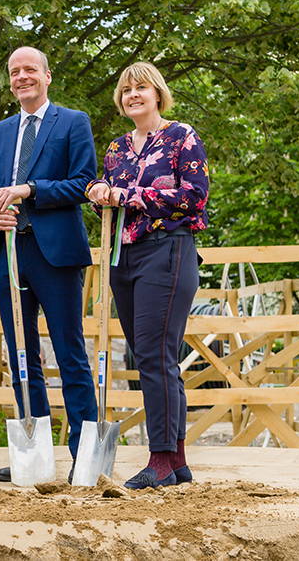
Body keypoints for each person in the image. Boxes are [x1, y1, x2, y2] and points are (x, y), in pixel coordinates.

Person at [0, 46, 99, 483]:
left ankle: (84, 455)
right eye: (14, 71)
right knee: (21, 356)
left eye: (30, 69)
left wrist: (28, 191)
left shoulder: (73, 122)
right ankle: (34, 454)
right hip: (9, 253)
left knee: (70, 354)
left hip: (56, 254)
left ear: (47, 76)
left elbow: (84, 183)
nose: (22, 76)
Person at [87, 61, 208, 489]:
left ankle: (159, 458)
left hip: (168, 252)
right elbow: (107, 193)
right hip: (125, 255)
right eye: (125, 90)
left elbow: (194, 197)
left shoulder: (181, 136)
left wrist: (130, 195)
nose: (132, 95)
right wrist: (98, 191)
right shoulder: (117, 149)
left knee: (156, 357)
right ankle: (176, 460)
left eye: (141, 88)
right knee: (152, 358)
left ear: (157, 93)